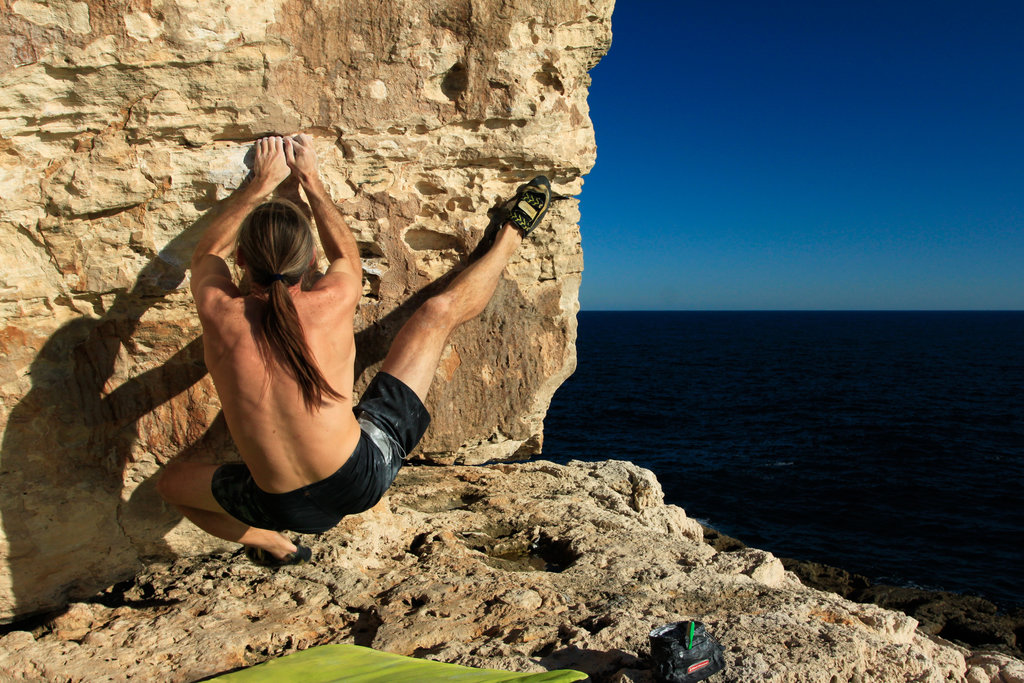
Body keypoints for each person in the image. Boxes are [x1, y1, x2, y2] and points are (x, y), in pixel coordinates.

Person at [158, 135, 551, 566]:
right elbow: (343, 252)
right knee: (437, 314)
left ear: (241, 265)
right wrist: (310, 180)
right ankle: (510, 237)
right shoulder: (334, 296)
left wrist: (258, 184)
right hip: (361, 478)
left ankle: (273, 543)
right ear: (310, 264)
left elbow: (207, 252)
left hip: (281, 509)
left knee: (171, 486)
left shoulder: (219, 311)